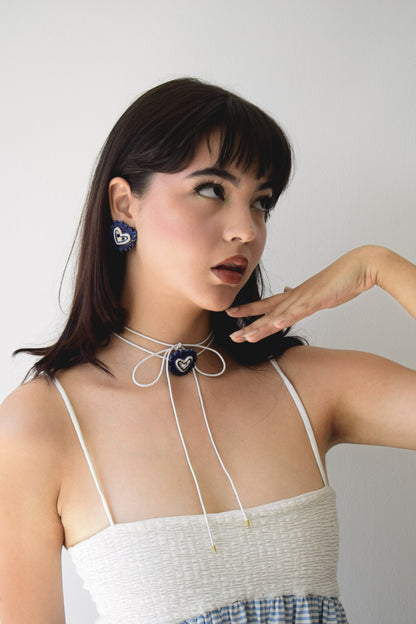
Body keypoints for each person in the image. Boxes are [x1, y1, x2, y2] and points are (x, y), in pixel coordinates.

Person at [0, 77, 414, 624]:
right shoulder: (42, 423)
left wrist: (380, 266)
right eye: (212, 189)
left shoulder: (306, 386)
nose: (246, 229)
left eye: (261, 202)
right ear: (125, 204)